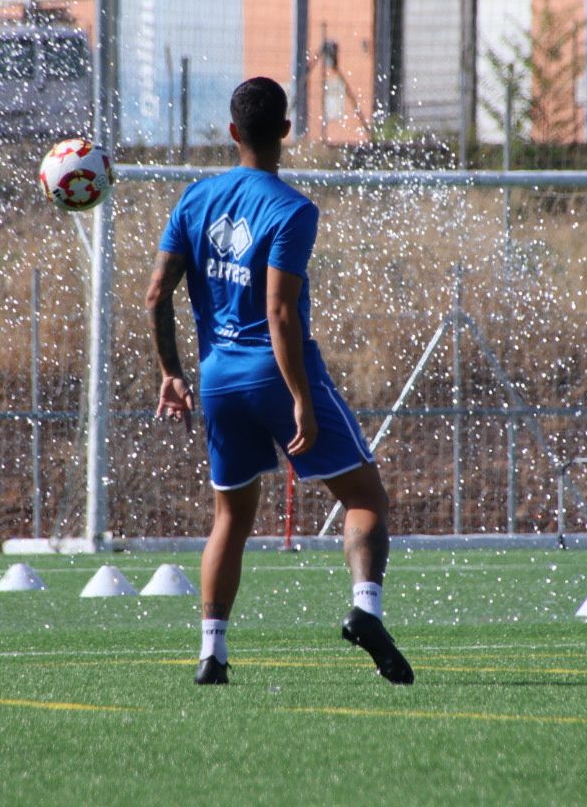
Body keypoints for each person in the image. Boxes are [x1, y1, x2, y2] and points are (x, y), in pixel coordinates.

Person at [145, 76, 413, 686]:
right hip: (275, 371)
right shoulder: (292, 208)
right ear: (285, 132)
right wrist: (300, 399)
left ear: (233, 132)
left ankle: (211, 653)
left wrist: (171, 373)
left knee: (230, 517)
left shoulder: (193, 200)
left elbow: (156, 294)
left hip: (215, 380)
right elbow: (280, 312)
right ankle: (365, 611)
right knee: (365, 497)